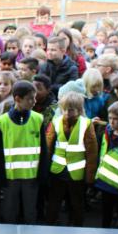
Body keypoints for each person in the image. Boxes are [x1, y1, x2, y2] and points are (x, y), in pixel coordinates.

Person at [0, 81, 45, 223]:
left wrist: (42, 174)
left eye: (35, 97)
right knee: (9, 212)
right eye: (30, 98)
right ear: (17, 99)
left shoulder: (38, 119)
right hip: (10, 178)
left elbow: (44, 150)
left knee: (30, 213)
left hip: (32, 177)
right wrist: (0, 176)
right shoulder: (2, 121)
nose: (34, 101)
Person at [45, 91, 98, 226]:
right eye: (64, 110)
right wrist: (45, 169)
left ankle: (76, 225)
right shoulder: (56, 122)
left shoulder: (86, 124)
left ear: (79, 110)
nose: (67, 113)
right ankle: (50, 224)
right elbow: (48, 146)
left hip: (77, 173)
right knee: (54, 202)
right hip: (57, 170)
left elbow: (92, 152)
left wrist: (90, 177)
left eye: (71, 110)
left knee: (77, 203)